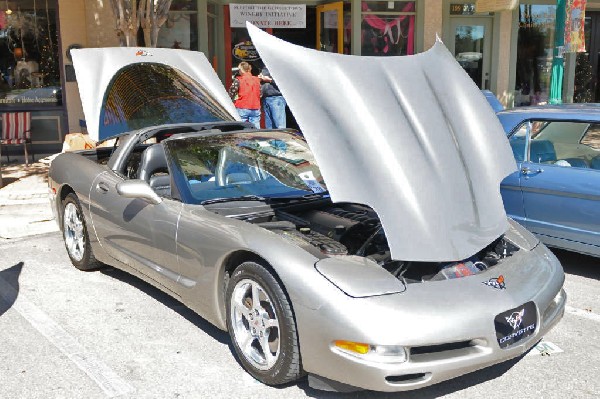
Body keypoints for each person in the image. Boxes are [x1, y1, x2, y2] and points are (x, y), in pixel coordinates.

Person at [228, 62, 261, 129]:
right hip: (255, 107)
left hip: (242, 106)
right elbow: (260, 93)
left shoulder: (238, 80)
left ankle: (242, 139)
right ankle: (256, 138)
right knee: (256, 128)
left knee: (241, 128)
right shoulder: (257, 79)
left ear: (241, 70)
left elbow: (231, 92)